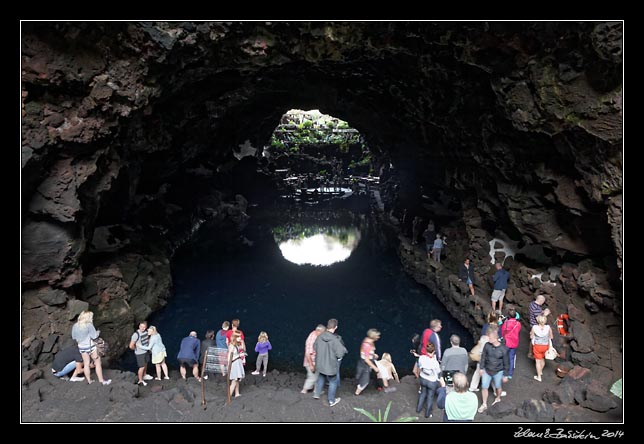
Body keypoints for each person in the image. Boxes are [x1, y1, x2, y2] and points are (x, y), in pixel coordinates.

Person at [313, 318, 347, 407]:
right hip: (331, 366)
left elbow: (315, 347)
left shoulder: (320, 337)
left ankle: (317, 393)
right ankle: (331, 400)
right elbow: (340, 353)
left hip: (320, 364)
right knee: (333, 382)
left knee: (321, 377)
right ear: (335, 327)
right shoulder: (335, 340)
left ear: (327, 326)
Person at [71, 310, 111, 385]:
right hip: (91, 347)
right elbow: (94, 336)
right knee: (98, 362)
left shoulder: (75, 326)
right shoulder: (89, 325)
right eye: (91, 317)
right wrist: (98, 332)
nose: (92, 319)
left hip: (82, 348)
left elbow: (74, 337)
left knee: (86, 364)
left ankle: (89, 381)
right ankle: (102, 381)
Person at [477, 328, 509, 413]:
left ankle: (498, 398)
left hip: (498, 371)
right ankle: (484, 404)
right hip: (487, 370)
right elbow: (483, 357)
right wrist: (481, 368)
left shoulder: (503, 349)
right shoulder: (487, 345)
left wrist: (505, 375)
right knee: (484, 386)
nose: (488, 339)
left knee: (498, 386)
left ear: (495, 338)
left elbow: (506, 362)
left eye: (490, 338)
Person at [416, 343, 442, 418]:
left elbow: (419, 367)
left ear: (426, 350)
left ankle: (418, 409)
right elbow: (438, 372)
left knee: (423, 393)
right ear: (434, 351)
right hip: (431, 381)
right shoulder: (435, 362)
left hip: (423, 379)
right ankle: (427, 414)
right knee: (430, 396)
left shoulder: (421, 358)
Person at [355, 328, 381, 395]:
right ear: (373, 336)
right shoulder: (367, 345)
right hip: (365, 363)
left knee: (361, 377)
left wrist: (373, 354)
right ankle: (357, 393)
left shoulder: (369, 341)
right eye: (377, 335)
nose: (378, 337)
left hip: (366, 361)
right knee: (365, 380)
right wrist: (375, 368)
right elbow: (366, 359)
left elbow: (368, 352)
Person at [301, 324, 325, 393]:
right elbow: (308, 353)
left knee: (317, 376)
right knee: (312, 377)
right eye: (323, 333)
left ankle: (316, 390)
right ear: (318, 331)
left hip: (315, 361)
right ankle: (304, 390)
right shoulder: (312, 339)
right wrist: (311, 365)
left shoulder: (316, 335)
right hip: (311, 361)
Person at [500, 306, 521, 379]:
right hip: (515, 342)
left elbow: (503, 332)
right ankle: (510, 374)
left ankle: (503, 372)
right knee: (511, 358)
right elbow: (518, 331)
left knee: (504, 357)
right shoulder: (518, 324)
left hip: (507, 342)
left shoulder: (506, 323)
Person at [530, 315, 553, 382]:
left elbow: (531, 336)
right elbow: (551, 337)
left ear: (538, 321)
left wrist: (532, 335)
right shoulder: (548, 327)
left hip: (537, 346)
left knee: (537, 361)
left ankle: (539, 377)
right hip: (545, 346)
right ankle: (540, 371)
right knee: (542, 359)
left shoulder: (534, 327)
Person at [228, 330, 246, 398]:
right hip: (234, 364)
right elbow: (229, 357)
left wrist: (242, 342)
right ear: (235, 337)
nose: (240, 338)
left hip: (238, 363)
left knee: (237, 379)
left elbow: (243, 349)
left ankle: (237, 393)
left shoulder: (237, 345)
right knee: (234, 380)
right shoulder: (232, 346)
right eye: (239, 337)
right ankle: (229, 396)